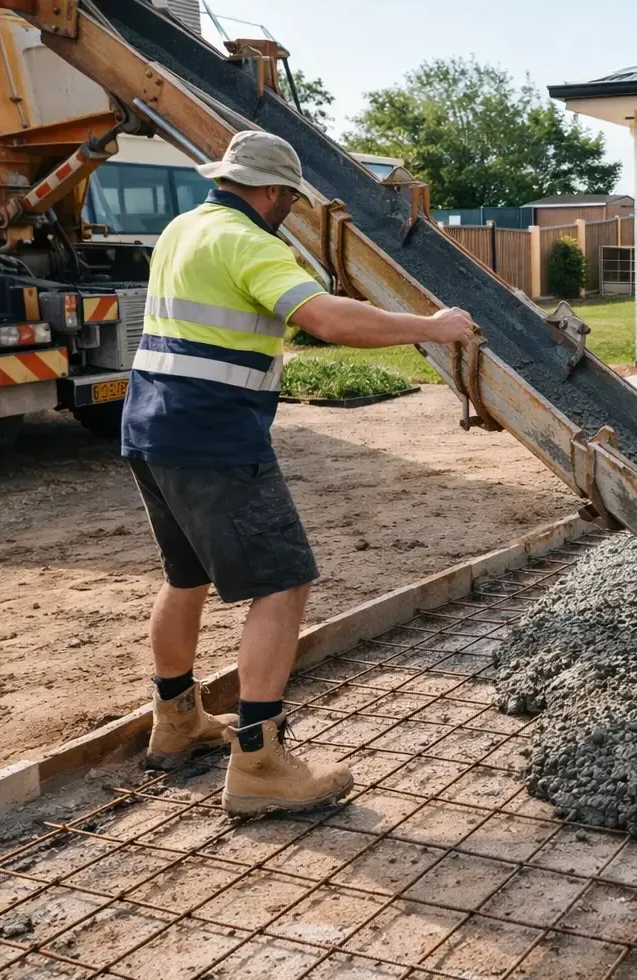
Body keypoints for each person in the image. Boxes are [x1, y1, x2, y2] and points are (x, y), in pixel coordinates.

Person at [124, 130, 478, 813]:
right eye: (289, 198)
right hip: (214, 435)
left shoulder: (182, 228)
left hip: (151, 425)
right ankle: (260, 766)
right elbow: (325, 320)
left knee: (185, 576)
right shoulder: (251, 242)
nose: (289, 209)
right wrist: (432, 327)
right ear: (273, 192)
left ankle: (176, 722)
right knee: (285, 583)